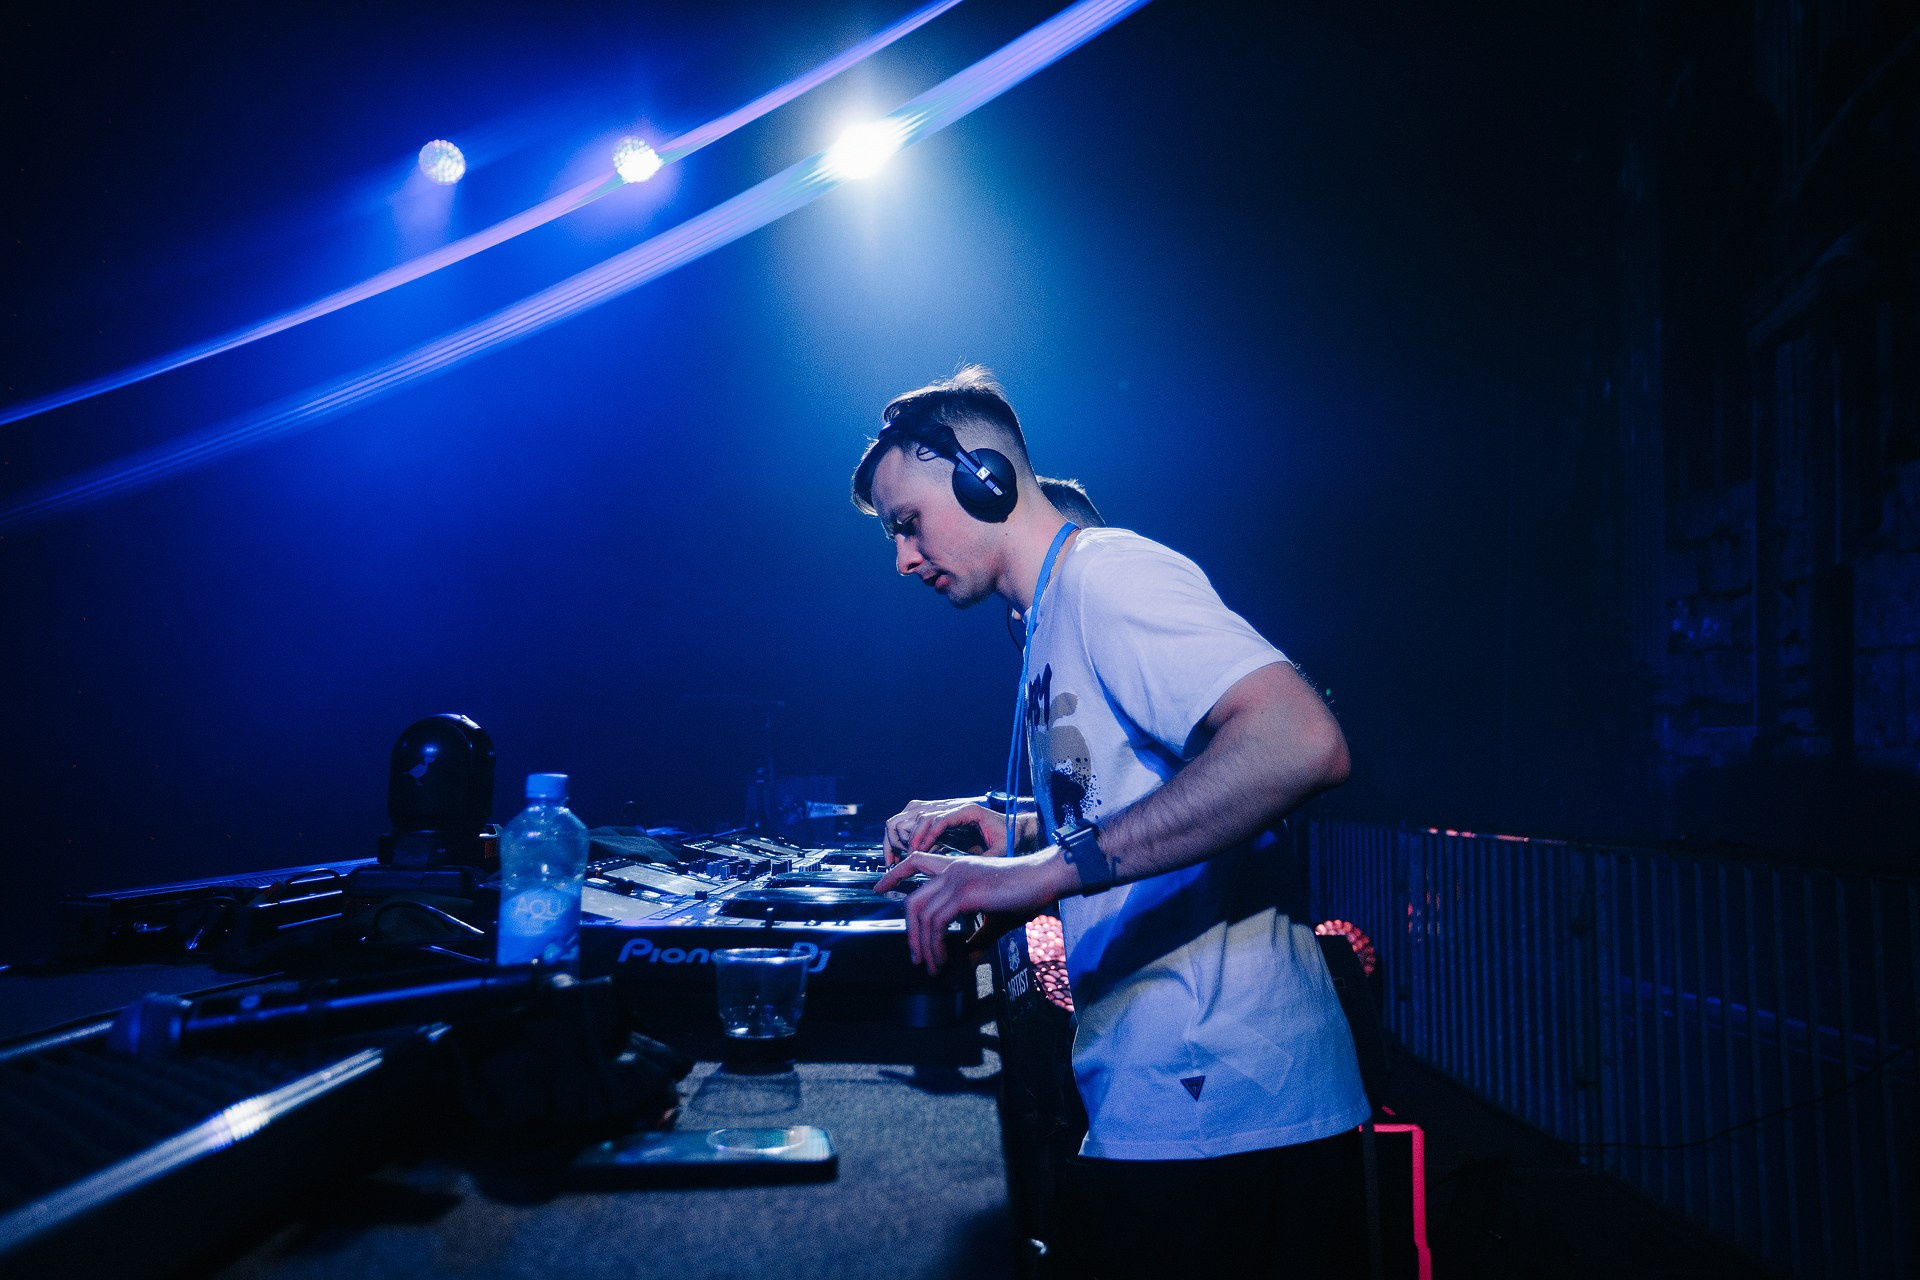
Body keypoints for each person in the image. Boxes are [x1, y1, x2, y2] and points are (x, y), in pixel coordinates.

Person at [854, 366, 1370, 1277]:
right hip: (1171, 1103)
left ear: (983, 479)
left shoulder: (1109, 576)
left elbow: (1300, 741)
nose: (902, 558)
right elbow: (1128, 805)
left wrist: (1036, 873)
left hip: (1230, 1110)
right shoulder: (1047, 615)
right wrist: (1008, 829)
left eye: (907, 522)